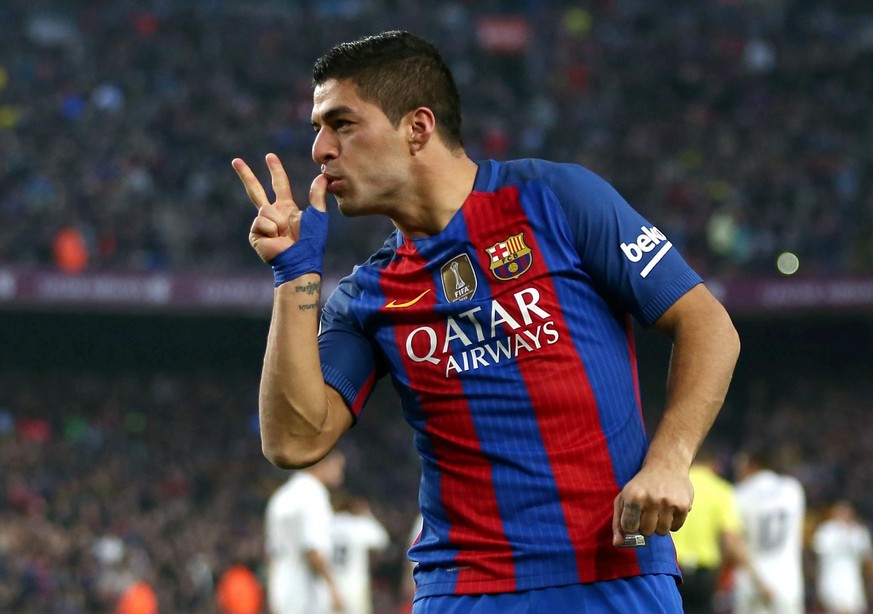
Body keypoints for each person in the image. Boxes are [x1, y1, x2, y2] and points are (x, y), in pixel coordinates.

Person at [232, 29, 740, 613]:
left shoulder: (556, 200)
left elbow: (706, 323)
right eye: (317, 130)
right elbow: (294, 440)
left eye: (341, 124)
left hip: (612, 570)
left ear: (417, 128)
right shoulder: (365, 295)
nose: (320, 149)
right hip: (464, 590)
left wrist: (670, 461)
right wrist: (294, 277)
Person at [672, 445, 771, 614]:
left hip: (673, 570)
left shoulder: (673, 486)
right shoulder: (721, 490)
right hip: (704, 576)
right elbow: (731, 539)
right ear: (714, 464)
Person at [264, 449, 346, 614]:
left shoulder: (281, 496)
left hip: (281, 589)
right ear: (322, 464)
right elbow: (313, 551)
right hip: (305, 594)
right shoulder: (314, 494)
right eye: (337, 467)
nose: (340, 473)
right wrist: (333, 588)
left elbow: (271, 555)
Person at [732, 446, 806, 614]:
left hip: (752, 583)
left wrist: (759, 582)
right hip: (788, 582)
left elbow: (735, 544)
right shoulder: (793, 489)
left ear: (751, 465)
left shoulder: (739, 494)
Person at [330, 491, 390, 614]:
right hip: (354, 588)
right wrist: (367, 515)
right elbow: (382, 540)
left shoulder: (327, 524)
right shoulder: (358, 526)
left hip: (330, 588)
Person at [812, 500, 873, 614]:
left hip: (853, 584)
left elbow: (867, 559)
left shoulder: (859, 532)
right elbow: (816, 553)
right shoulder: (826, 531)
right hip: (831, 581)